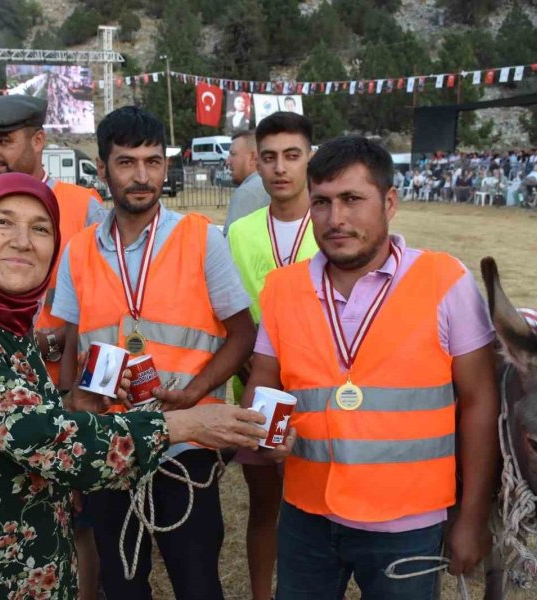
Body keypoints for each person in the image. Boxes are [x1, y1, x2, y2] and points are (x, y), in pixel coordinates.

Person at [0, 172, 269, 599]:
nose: (23, 241)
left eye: (40, 228)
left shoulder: (10, 332)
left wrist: (74, 402)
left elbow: (19, 424)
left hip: (20, 570)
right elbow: (52, 444)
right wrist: (187, 425)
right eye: (3, 222)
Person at [250, 137, 499, 599]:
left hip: (409, 523)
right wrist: (261, 435)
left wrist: (472, 516)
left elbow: (481, 402)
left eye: (351, 200)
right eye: (321, 202)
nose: (335, 218)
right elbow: (264, 377)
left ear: (389, 202)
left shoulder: (446, 282)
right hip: (307, 515)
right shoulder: (282, 288)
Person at [52, 106, 257, 600]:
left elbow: (243, 333)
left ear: (165, 166)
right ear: (102, 169)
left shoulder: (202, 239)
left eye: (152, 162)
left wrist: (196, 391)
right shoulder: (78, 251)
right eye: (126, 163)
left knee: (198, 581)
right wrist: (71, 410)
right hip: (111, 441)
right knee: (122, 583)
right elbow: (70, 348)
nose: (142, 177)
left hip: (187, 445)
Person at [227, 112, 318, 600]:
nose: (280, 169)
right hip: (256, 389)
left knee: (315, 512)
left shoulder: (329, 225)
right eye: (269, 157)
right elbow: (231, 312)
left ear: (310, 159)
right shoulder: (239, 233)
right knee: (265, 508)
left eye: (292, 156)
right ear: (256, 163)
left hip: (319, 396)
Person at [0, 94, 105, 387]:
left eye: (3, 142)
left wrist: (51, 343)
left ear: (38, 141)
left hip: (63, 386)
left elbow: (108, 303)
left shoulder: (84, 208)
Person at [222, 130, 271, 235]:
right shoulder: (269, 184)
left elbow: (231, 242)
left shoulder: (247, 192)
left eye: (233, 154)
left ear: (253, 158)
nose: (228, 161)